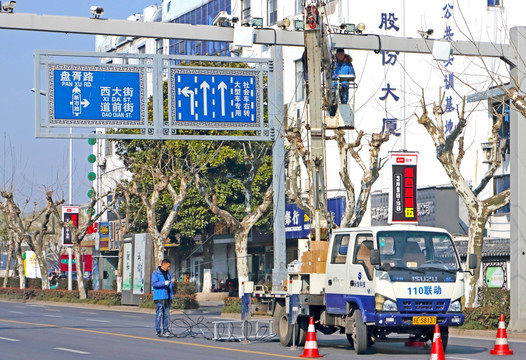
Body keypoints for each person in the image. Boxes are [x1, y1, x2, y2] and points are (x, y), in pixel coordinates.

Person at [151, 259, 174, 337]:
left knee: (166, 315)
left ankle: (165, 330)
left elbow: (169, 285)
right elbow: (154, 284)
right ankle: (158, 330)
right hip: (159, 297)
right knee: (159, 314)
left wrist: (171, 296)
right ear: (163, 265)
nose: (169, 268)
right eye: (168, 266)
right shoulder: (155, 273)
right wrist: (163, 283)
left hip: (167, 297)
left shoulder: (168, 274)